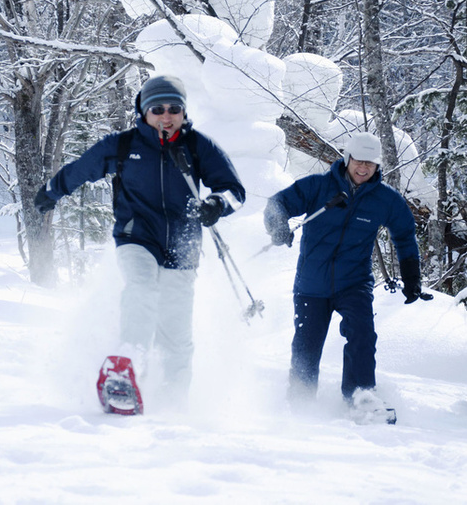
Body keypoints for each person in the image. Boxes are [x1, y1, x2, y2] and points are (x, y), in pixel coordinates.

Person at [34, 75, 245, 407]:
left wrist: (217, 204)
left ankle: (174, 404)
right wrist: (52, 191)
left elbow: (234, 190)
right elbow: (83, 168)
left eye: (174, 108)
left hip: (183, 245)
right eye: (157, 109)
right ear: (143, 112)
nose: (166, 116)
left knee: (176, 335)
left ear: (183, 111)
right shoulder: (124, 145)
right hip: (136, 235)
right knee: (142, 287)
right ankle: (125, 366)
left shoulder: (197, 146)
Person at [264, 131, 423, 416]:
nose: (363, 168)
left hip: (354, 283)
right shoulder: (318, 187)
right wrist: (278, 226)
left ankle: (360, 399)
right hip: (311, 283)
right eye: (358, 161)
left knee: (362, 335)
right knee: (307, 343)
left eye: (370, 164)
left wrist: (412, 278)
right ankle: (299, 400)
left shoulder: (385, 200)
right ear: (347, 158)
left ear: (377, 167)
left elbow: (405, 234)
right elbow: (277, 204)